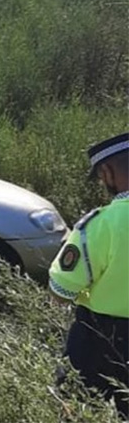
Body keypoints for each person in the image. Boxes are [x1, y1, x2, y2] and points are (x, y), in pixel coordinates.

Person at [49, 132, 129, 417]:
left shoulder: (100, 225)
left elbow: (61, 292)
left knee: (78, 408)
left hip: (99, 340)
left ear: (107, 172)